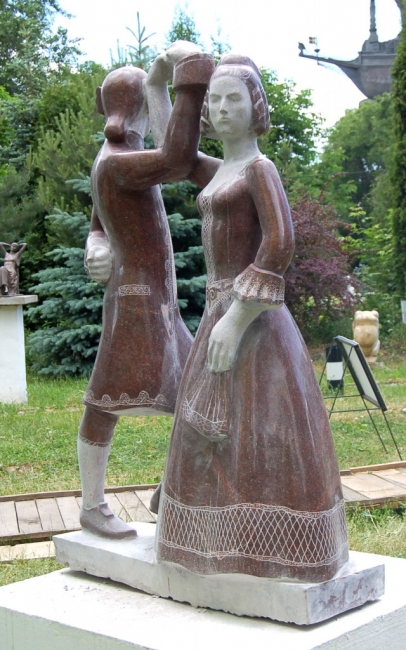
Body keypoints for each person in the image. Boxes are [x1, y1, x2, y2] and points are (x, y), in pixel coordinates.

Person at [156, 54, 349, 583]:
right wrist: (160, 83)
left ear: (256, 106)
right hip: (221, 313)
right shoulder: (220, 170)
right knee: (211, 431)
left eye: (233, 99)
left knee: (262, 431)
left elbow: (280, 243)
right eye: (214, 100)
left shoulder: (259, 170)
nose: (221, 109)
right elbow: (172, 152)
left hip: (252, 322)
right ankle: (216, 544)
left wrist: (237, 317)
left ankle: (273, 551)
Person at [78, 46, 214, 539]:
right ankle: (93, 505)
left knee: (199, 389)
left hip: (154, 300)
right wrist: (178, 83)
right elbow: (178, 159)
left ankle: (166, 492)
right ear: (138, 108)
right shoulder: (119, 162)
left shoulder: (115, 158)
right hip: (137, 301)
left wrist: (96, 242)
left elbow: (99, 221)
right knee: (106, 401)